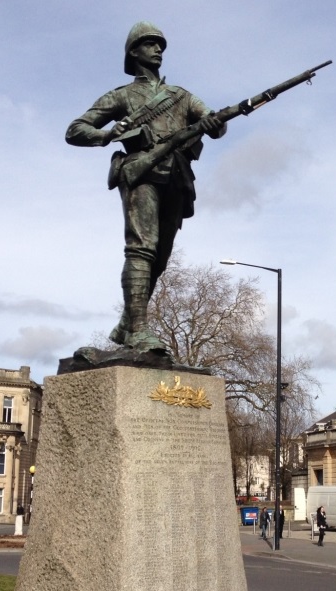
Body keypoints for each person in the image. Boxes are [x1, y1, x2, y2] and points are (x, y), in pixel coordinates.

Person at [66, 21, 226, 355]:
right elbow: (76, 130)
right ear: (134, 51)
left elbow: (215, 123)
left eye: (161, 46)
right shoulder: (122, 96)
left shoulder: (181, 96)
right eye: (151, 44)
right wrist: (108, 135)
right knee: (142, 248)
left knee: (161, 258)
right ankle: (138, 329)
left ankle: (127, 323)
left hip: (177, 175)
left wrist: (215, 123)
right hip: (141, 172)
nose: (158, 50)